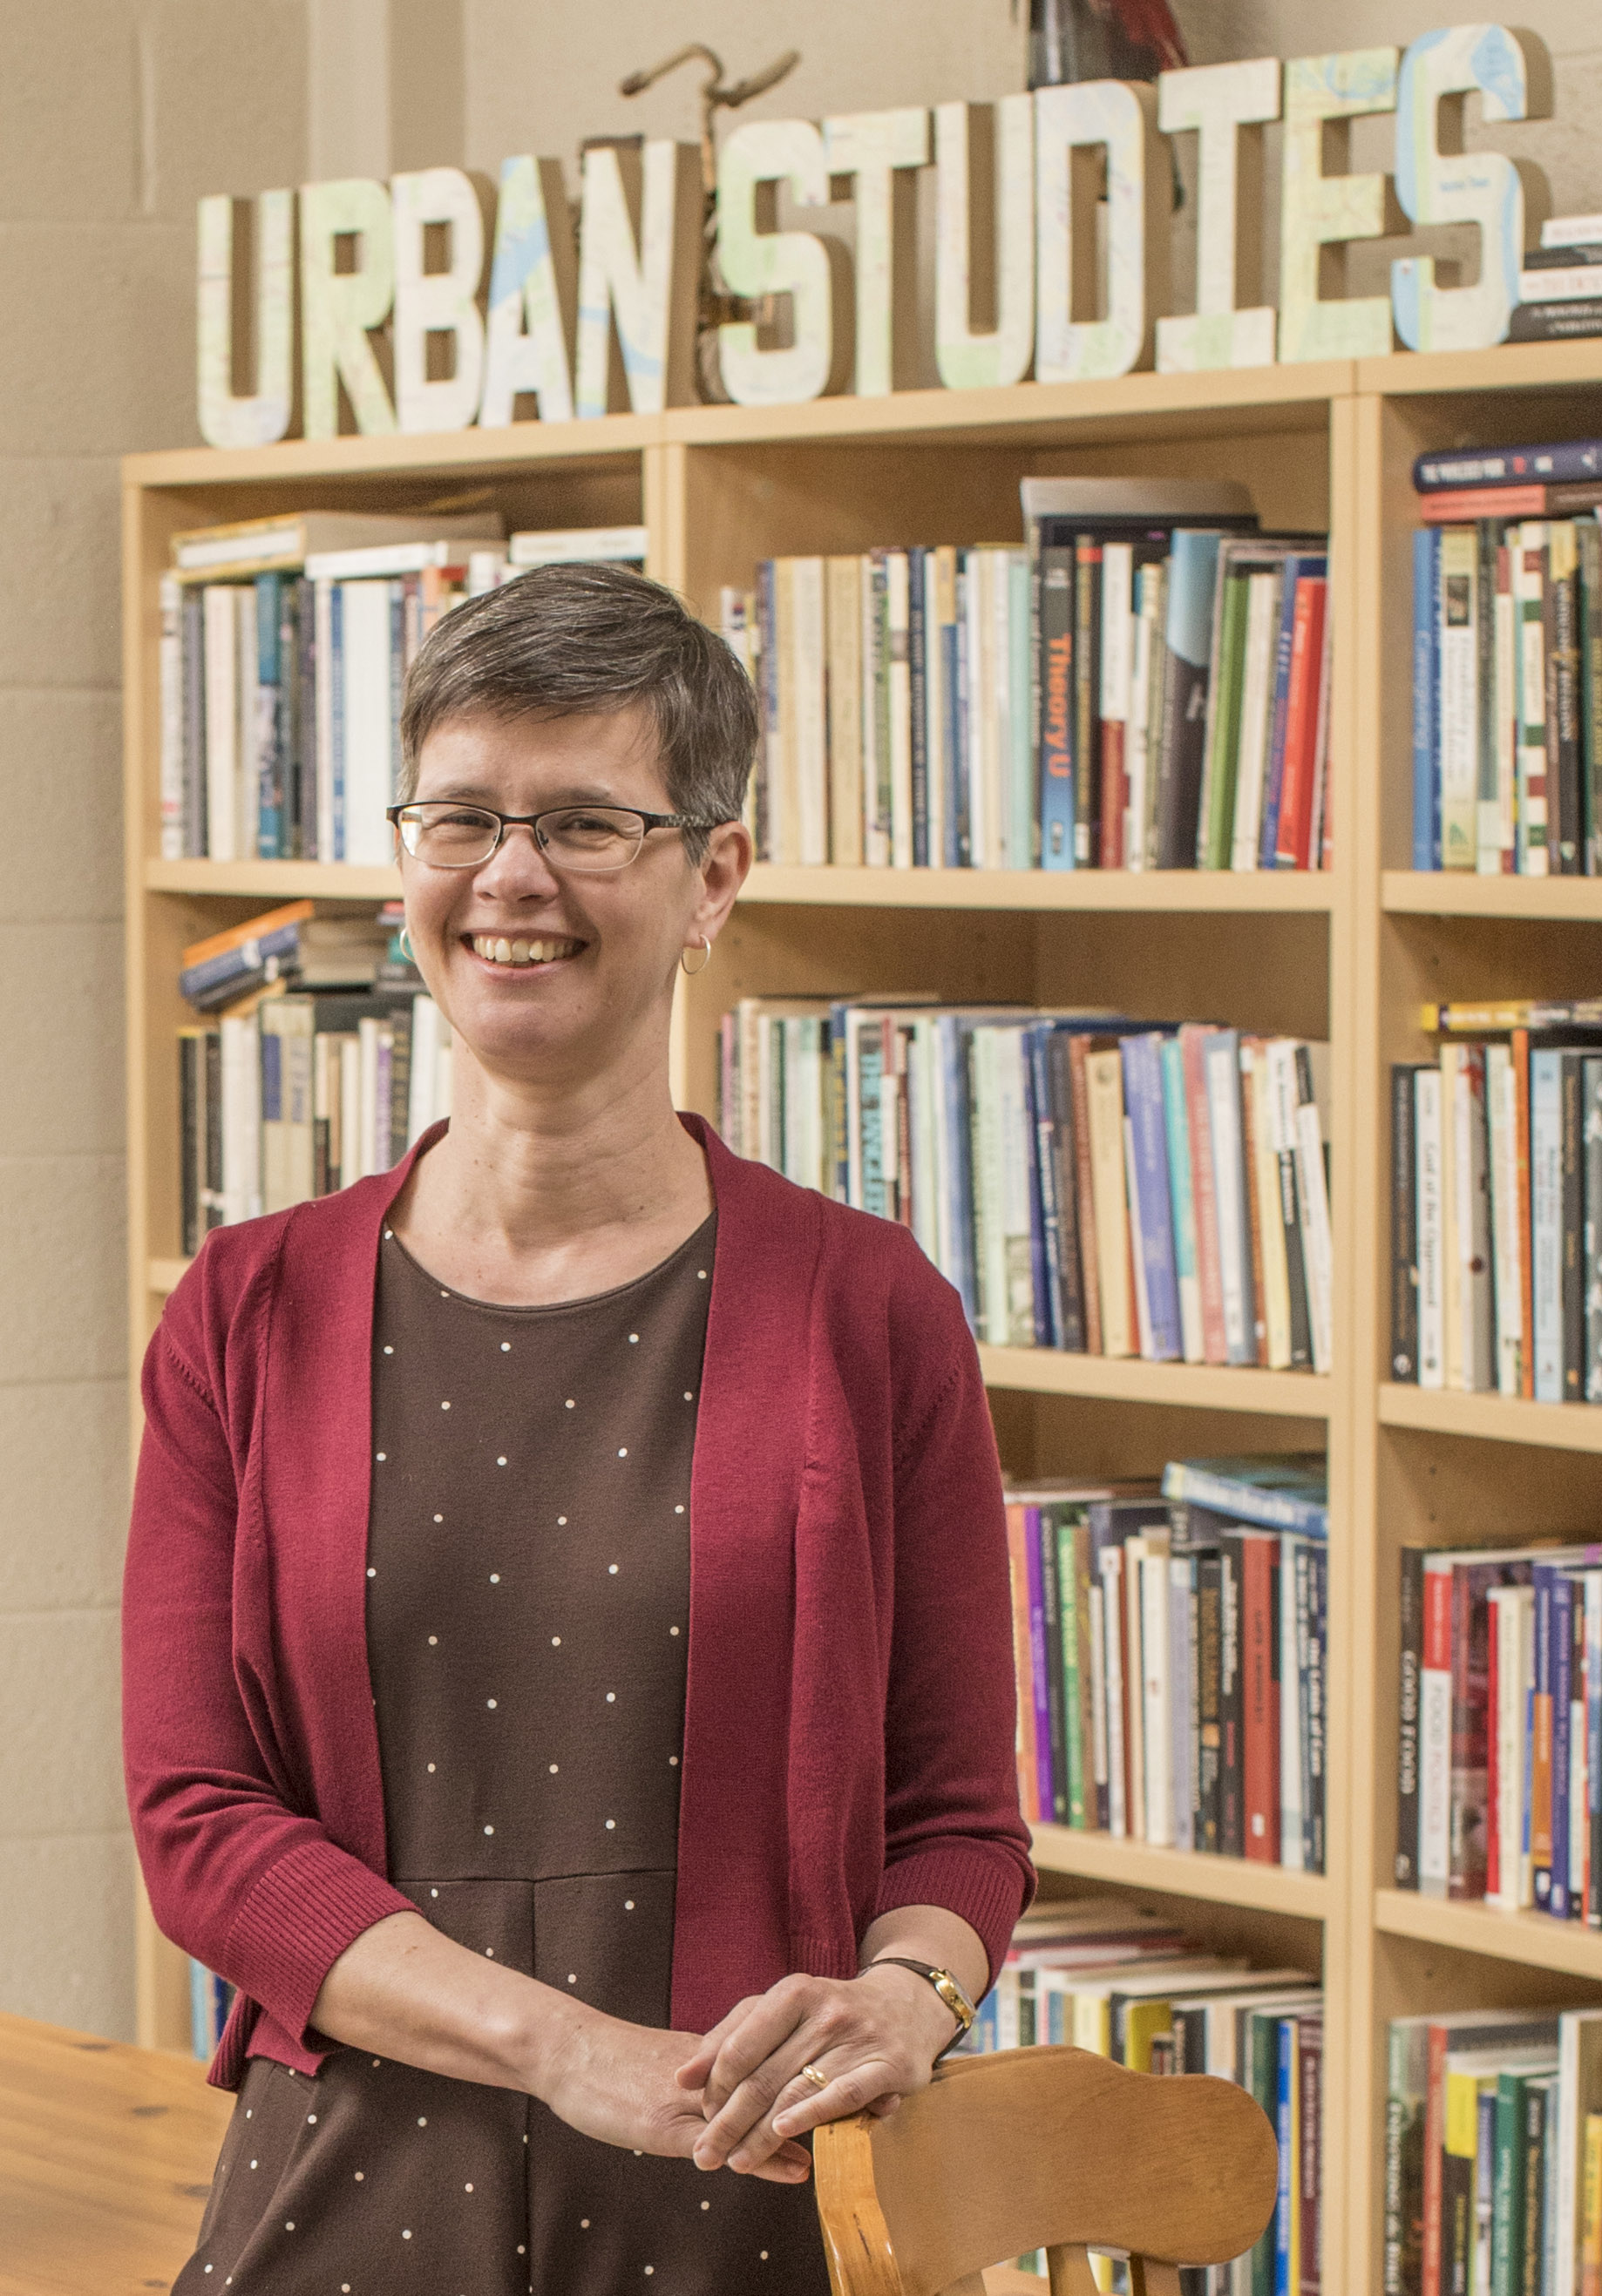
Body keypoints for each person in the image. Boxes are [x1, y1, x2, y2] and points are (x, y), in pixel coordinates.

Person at [123, 562, 1034, 2294]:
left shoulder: (868, 1306)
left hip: (757, 2222)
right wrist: (570, 2048)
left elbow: (956, 1821)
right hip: (340, 2220)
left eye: (586, 821)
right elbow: (198, 1822)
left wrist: (909, 1995)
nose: (511, 876)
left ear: (713, 876)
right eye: (460, 815)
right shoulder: (245, 1314)